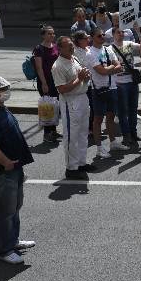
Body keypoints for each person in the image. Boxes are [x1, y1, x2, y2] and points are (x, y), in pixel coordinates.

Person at [0, 76, 35, 264]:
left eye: (6, 87)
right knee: (6, 211)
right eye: (1, 88)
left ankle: (13, 241)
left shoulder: (2, 109)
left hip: (15, 169)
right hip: (3, 171)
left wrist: (18, 167)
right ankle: (5, 250)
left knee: (15, 208)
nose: (5, 91)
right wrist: (7, 163)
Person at [52, 35, 92, 178]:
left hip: (82, 98)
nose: (71, 47)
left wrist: (86, 78)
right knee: (71, 135)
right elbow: (62, 89)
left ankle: (81, 162)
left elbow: (81, 77)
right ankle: (71, 168)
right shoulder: (58, 66)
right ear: (60, 48)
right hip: (71, 102)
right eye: (68, 45)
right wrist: (79, 79)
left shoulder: (74, 59)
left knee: (82, 132)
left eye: (71, 44)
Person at [89, 29, 125, 158]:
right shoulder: (91, 53)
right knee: (98, 119)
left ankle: (113, 142)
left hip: (112, 87)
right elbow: (101, 72)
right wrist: (110, 69)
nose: (102, 37)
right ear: (92, 37)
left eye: (103, 34)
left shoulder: (108, 49)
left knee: (111, 116)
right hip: (98, 88)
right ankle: (99, 148)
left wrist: (107, 69)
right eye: (99, 35)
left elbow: (119, 66)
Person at [110, 26, 141, 148]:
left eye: (122, 32)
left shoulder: (129, 43)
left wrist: (139, 32)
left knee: (133, 109)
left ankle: (133, 134)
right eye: (118, 32)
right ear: (113, 34)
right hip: (119, 83)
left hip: (132, 81)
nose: (121, 34)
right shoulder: (109, 49)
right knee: (122, 111)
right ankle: (126, 135)